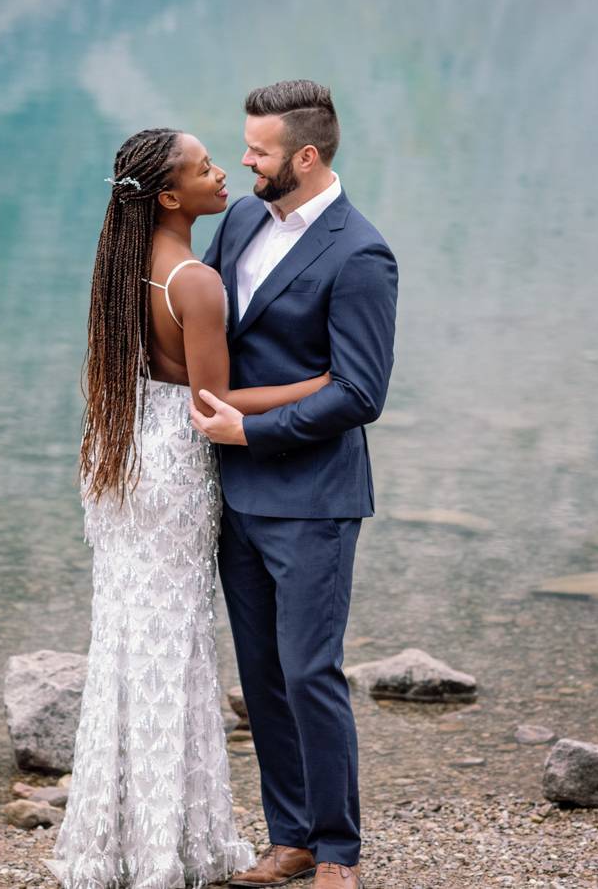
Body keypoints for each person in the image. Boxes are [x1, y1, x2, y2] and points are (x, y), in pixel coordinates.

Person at [50, 127, 330, 889]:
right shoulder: (194, 283)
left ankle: (116, 840)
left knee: (126, 639)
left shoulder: (123, 264)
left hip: (122, 455)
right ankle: (164, 846)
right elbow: (214, 403)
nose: (221, 174)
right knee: (174, 644)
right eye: (205, 167)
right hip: (173, 466)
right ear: (170, 196)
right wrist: (318, 386)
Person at [191, 81, 398, 889]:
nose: (243, 161)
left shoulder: (361, 253)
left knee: (311, 671)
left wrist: (251, 427)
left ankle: (339, 851)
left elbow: (359, 394)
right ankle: (291, 839)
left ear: (305, 158)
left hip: (313, 498)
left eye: (259, 151)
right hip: (234, 492)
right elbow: (207, 329)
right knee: (261, 676)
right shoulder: (242, 219)